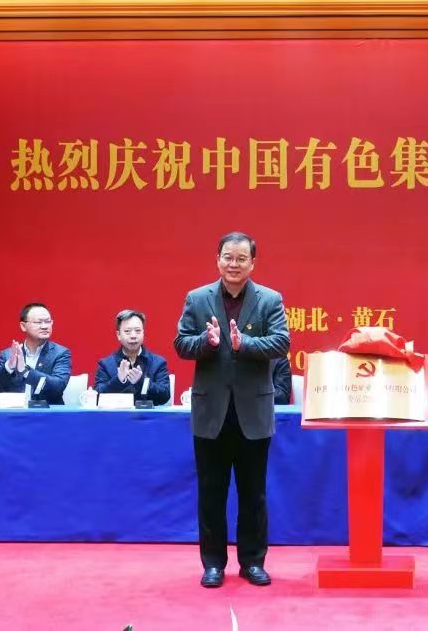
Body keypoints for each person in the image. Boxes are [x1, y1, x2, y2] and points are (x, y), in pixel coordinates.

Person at [173, 231, 290, 589]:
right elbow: (181, 343)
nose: (233, 264)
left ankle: (252, 562)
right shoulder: (197, 298)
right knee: (211, 492)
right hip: (211, 412)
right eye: (228, 257)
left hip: (253, 412)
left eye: (241, 258)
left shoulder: (270, 299)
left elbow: (282, 342)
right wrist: (206, 342)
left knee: (253, 493)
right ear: (218, 259)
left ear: (252, 263)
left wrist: (245, 344)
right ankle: (213, 564)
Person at [0, 302, 71, 405]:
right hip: (15, 413)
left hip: (47, 413)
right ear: (23, 326)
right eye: (38, 322)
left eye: (48, 322)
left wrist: (25, 371)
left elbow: (58, 388)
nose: (44, 326)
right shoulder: (7, 355)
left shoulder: (60, 353)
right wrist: (8, 367)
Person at [94, 309, 171, 405]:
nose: (133, 336)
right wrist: (118, 380)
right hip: (117, 414)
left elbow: (165, 396)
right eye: (127, 331)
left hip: (147, 414)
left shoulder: (158, 363)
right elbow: (96, 397)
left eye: (138, 331)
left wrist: (141, 382)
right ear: (118, 335)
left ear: (143, 333)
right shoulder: (105, 364)